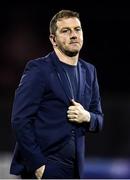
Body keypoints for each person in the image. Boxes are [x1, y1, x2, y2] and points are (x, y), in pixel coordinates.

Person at [10, 9, 104, 179]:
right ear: (53, 39)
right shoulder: (39, 69)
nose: (74, 35)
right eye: (65, 31)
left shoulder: (90, 71)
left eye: (77, 29)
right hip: (46, 166)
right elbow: (20, 120)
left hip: (76, 169)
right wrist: (38, 166)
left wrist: (87, 116)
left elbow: (99, 119)